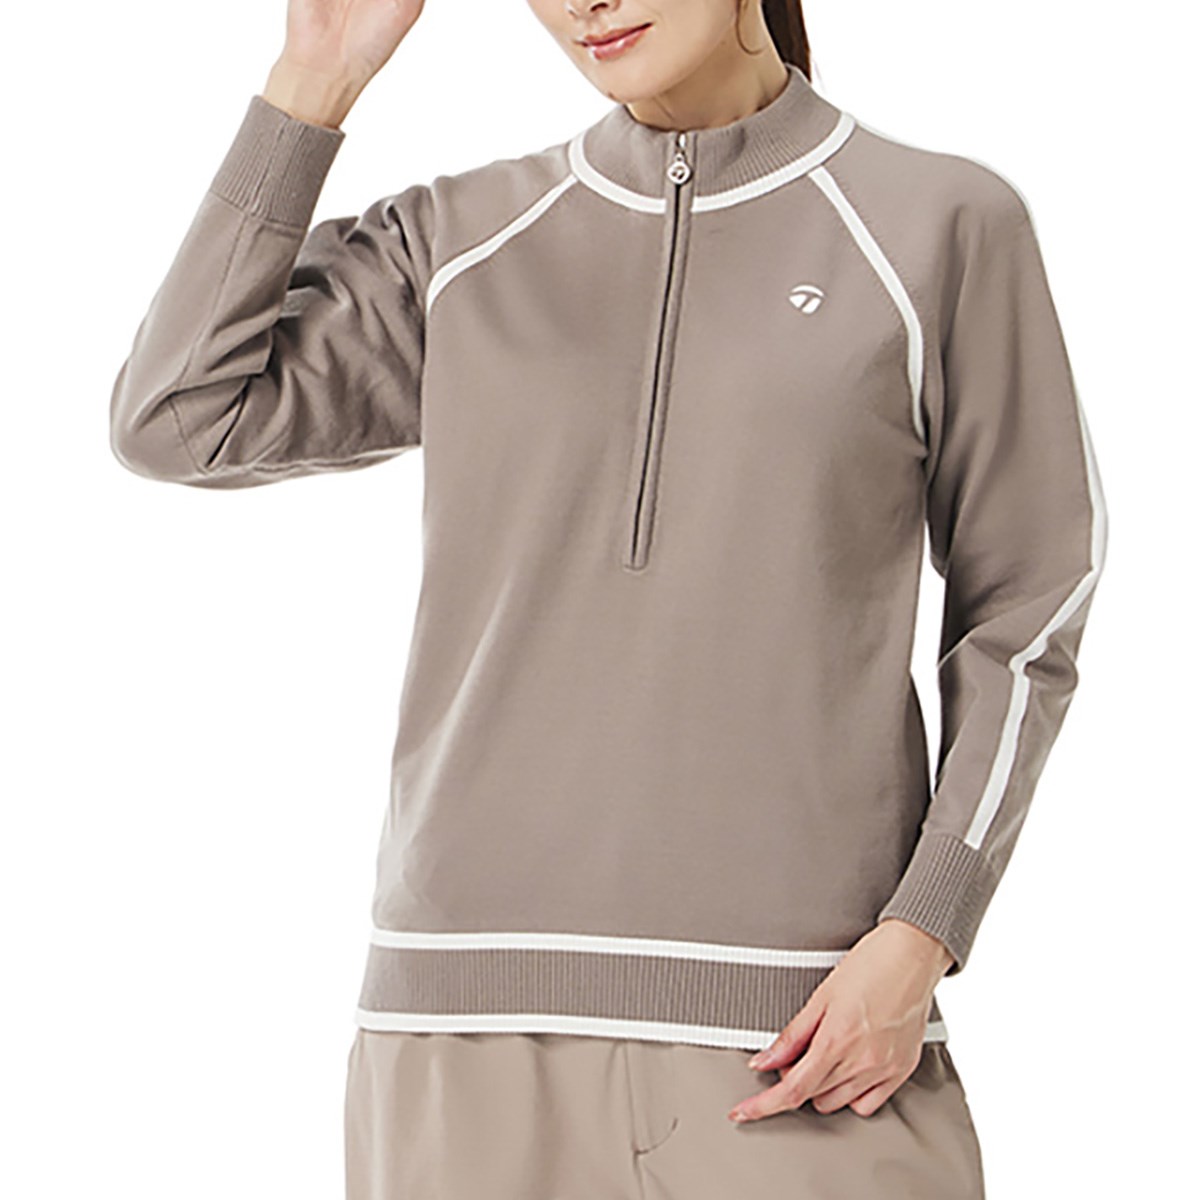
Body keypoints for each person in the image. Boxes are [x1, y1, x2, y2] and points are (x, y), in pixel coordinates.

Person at [109, 0, 1108, 1196]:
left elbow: (1030, 597)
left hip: (804, 1043)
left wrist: (925, 931)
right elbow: (179, 418)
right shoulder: (463, 239)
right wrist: (313, 78)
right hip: (461, 1043)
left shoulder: (939, 222)